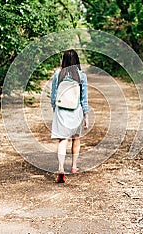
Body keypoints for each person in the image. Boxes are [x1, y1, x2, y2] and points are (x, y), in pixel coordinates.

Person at [50, 50, 89, 183]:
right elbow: (84, 99)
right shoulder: (81, 76)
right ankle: (73, 166)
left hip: (61, 110)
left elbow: (54, 95)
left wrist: (55, 109)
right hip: (75, 110)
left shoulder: (57, 74)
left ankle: (61, 168)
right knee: (76, 139)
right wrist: (86, 115)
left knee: (62, 140)